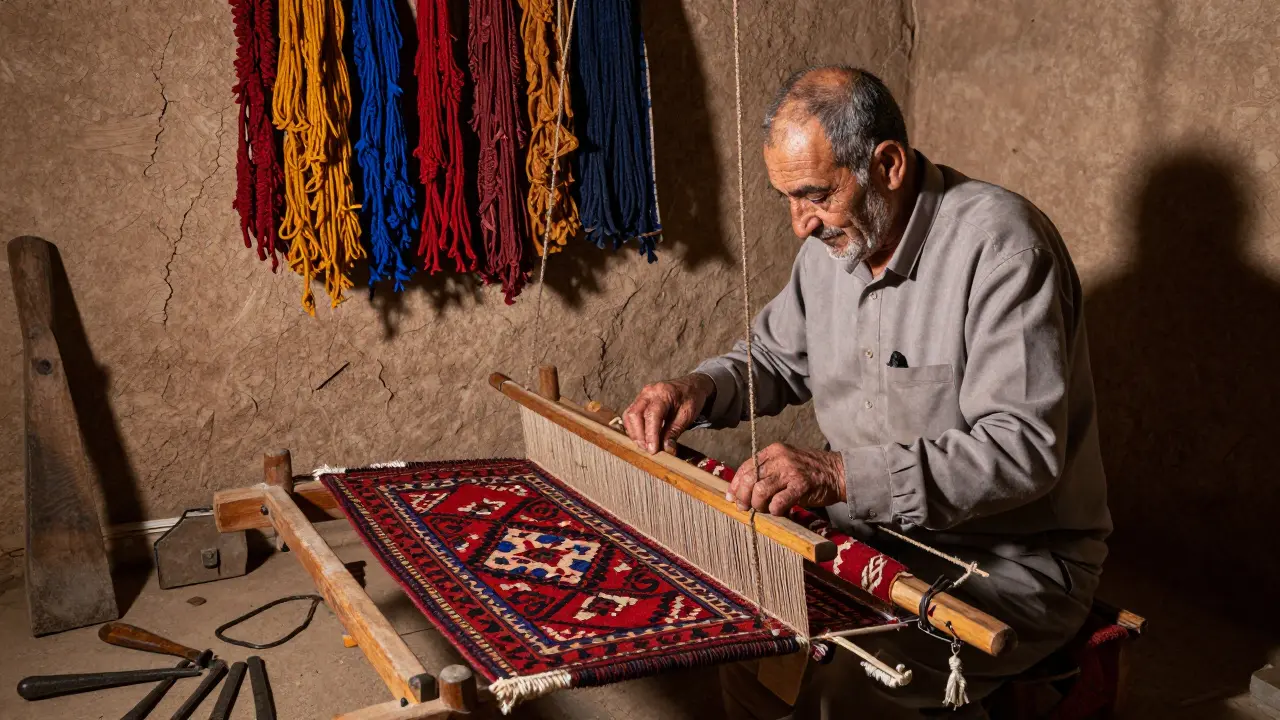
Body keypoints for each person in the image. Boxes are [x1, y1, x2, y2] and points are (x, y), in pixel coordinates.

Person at [621, 66, 1111, 719]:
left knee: (854, 685)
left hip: (1008, 564)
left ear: (887, 164)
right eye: (786, 199)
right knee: (746, 644)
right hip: (867, 543)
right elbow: (773, 356)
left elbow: (1021, 450)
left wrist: (836, 474)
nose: (800, 224)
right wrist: (699, 388)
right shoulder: (832, 248)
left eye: (816, 195)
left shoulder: (1002, 246)